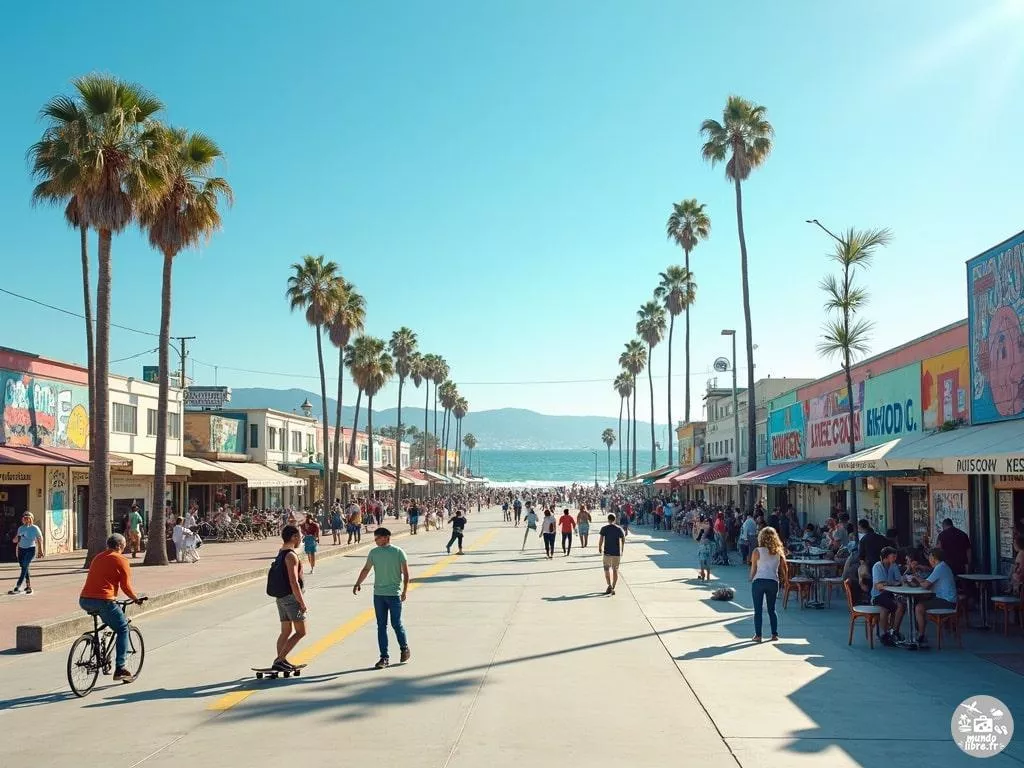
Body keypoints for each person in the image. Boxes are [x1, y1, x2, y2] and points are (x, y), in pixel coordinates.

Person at [79, 533, 142, 682]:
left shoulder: (98, 557)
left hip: (85, 600)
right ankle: (120, 667)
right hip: (104, 600)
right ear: (120, 545)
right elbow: (125, 586)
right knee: (123, 628)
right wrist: (136, 599)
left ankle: (100, 647)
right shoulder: (122, 560)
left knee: (107, 619)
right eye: (124, 544)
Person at [353, 527, 410, 669]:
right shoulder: (373, 552)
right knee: (381, 626)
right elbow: (366, 569)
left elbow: (406, 574)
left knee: (396, 624)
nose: (375, 540)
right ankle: (384, 657)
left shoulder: (398, 552)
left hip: (394, 594)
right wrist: (358, 583)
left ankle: (404, 648)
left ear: (386, 537)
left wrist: (404, 591)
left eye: (377, 538)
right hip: (378, 595)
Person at [266, 524, 307, 673]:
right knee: (301, 631)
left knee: (286, 631)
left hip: (280, 597)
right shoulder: (291, 555)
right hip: (291, 598)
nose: (301, 538)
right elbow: (293, 581)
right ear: (294, 537)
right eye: (300, 535)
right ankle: (279, 660)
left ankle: (280, 660)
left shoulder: (281, 552)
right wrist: (301, 602)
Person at [910, 548, 958, 647]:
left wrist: (915, 577)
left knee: (919, 607)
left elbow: (926, 585)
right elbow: (929, 581)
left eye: (930, 558)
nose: (929, 560)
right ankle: (920, 632)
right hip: (946, 599)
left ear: (933, 558)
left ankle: (921, 635)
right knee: (922, 602)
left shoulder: (940, 568)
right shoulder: (942, 566)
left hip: (948, 602)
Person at [749, 526, 788, 642]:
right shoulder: (778, 553)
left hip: (759, 581)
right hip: (772, 581)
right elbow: (783, 569)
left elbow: (754, 568)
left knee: (758, 610)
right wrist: (784, 580)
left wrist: (751, 578)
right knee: (772, 609)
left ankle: (758, 635)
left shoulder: (757, 551)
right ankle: (774, 634)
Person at [872, 547, 907, 645]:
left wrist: (888, 583)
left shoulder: (893, 565)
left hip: (890, 594)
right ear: (886, 557)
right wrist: (891, 583)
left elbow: (899, 580)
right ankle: (886, 633)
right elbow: (879, 586)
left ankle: (894, 631)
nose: (895, 558)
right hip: (878, 596)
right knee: (888, 608)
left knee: (902, 606)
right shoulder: (877, 566)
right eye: (893, 556)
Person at [8, 512, 44, 595]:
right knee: (24, 567)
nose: (25, 519)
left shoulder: (35, 528)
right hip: (21, 550)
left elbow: (39, 539)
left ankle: (18, 586)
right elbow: (17, 540)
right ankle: (28, 586)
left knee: (24, 566)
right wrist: (16, 539)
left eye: (27, 518)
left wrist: (40, 550)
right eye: (24, 518)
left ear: (31, 519)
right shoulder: (20, 528)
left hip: (30, 549)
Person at [598, 513, 625, 595]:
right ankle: (613, 587)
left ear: (608, 519)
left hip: (607, 553)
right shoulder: (619, 529)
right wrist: (622, 549)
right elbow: (623, 538)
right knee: (615, 570)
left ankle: (609, 585)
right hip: (616, 553)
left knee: (606, 570)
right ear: (615, 519)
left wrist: (599, 547)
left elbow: (601, 539)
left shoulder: (604, 528)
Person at [695, 515, 714, 581]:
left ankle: (704, 576)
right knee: (707, 562)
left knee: (703, 562)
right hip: (708, 547)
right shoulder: (711, 530)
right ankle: (707, 577)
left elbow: (697, 539)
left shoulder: (703, 529)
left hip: (703, 547)